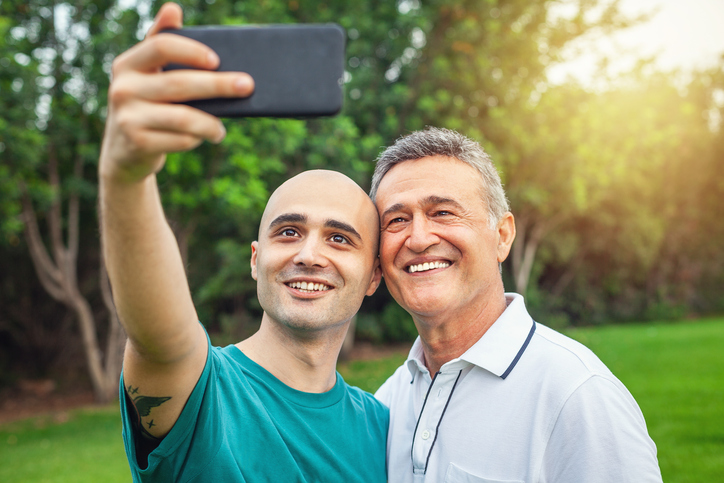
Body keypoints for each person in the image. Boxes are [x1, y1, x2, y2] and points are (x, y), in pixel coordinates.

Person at [99, 3, 387, 481]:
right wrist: (126, 178)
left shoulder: (385, 429)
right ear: (257, 259)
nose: (309, 254)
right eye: (288, 232)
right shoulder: (200, 388)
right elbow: (159, 338)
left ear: (374, 275)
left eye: (339, 238)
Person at [370, 127, 663, 482]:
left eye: (443, 212)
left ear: (502, 236)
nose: (417, 238)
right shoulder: (388, 399)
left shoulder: (577, 396)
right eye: (397, 220)